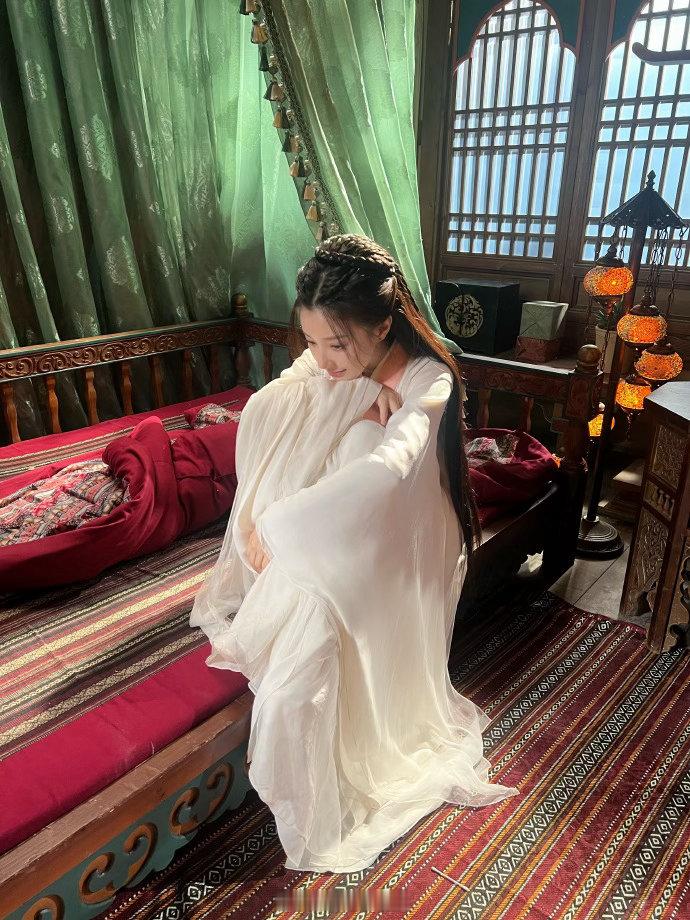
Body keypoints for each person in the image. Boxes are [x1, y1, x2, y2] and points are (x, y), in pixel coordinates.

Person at [189, 234, 519, 873]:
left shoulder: (429, 379)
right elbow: (276, 402)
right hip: (331, 533)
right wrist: (354, 399)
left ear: (385, 324)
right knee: (291, 690)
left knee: (290, 697)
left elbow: (389, 469)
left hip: (391, 542)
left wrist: (278, 522)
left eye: (336, 345)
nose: (322, 359)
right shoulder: (336, 367)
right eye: (311, 342)